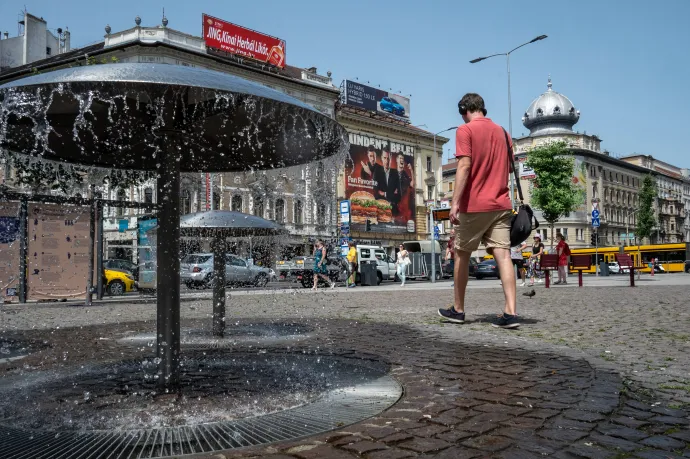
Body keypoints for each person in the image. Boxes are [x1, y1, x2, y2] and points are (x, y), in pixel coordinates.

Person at [438, 93, 518, 329]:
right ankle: (510, 312)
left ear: (464, 110)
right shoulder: (504, 133)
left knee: (461, 254)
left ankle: (458, 309)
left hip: (474, 205)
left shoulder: (465, 131)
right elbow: (510, 168)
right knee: (503, 255)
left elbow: (463, 165)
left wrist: (455, 203)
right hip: (501, 204)